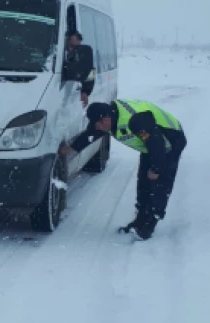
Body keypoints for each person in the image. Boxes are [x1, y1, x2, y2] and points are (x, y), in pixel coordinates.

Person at [58, 99, 187, 240]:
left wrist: (156, 169)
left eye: (97, 124)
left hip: (171, 141)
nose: (96, 128)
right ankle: (139, 221)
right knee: (143, 181)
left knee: (160, 184)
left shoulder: (136, 122)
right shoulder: (109, 118)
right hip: (150, 145)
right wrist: (70, 149)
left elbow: (157, 144)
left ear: (105, 120)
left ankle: (149, 226)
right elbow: (90, 135)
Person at [62, 29, 95, 106]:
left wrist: (85, 91)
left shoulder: (81, 58)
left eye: (77, 47)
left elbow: (90, 73)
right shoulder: (56, 57)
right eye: (71, 46)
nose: (73, 50)